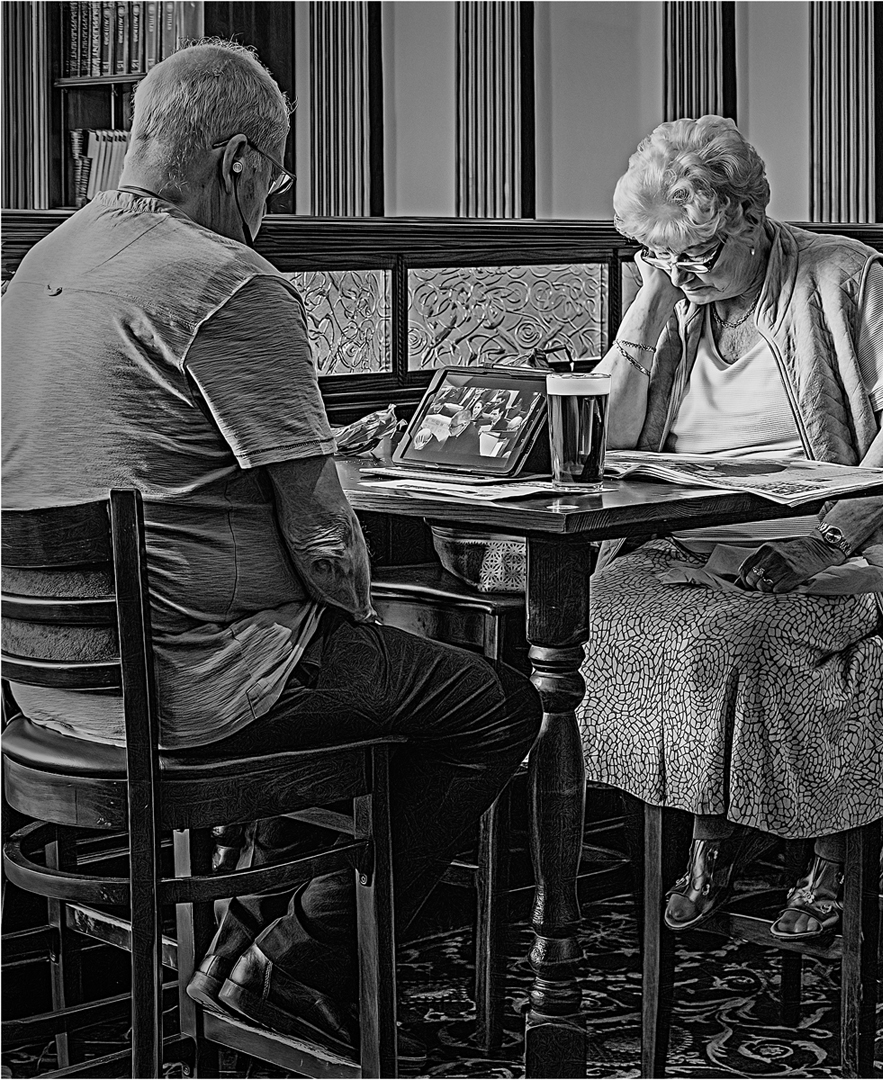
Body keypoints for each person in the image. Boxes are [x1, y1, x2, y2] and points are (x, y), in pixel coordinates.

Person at [1, 41, 542, 1059]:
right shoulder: (225, 278)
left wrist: (315, 459)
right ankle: (292, 961)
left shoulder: (45, 263)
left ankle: (242, 952)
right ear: (240, 160)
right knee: (490, 705)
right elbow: (326, 539)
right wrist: (363, 620)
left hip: (49, 686)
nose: (269, 209)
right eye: (274, 185)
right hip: (195, 689)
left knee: (351, 682)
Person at [579, 116, 883, 939]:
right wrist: (651, 302)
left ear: (749, 214)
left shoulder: (845, 276)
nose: (685, 274)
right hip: (692, 543)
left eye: (698, 255)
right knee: (597, 617)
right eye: (662, 257)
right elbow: (611, 437)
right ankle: (725, 823)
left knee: (741, 638)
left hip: (853, 542)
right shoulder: (679, 299)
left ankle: (832, 844)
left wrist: (823, 540)